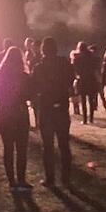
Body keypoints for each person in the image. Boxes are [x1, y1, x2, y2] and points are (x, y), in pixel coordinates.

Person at [31, 37, 75, 187]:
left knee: (48, 146)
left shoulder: (39, 68)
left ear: (43, 50)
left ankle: (50, 179)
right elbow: (70, 81)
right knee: (64, 145)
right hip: (61, 108)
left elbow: (34, 88)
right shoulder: (64, 64)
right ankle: (66, 178)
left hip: (46, 110)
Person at [0, 46, 33, 191]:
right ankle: (21, 180)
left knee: (8, 148)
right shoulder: (24, 76)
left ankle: (12, 182)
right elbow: (30, 95)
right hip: (20, 112)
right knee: (21, 149)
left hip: (4, 111)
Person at [72, 41, 100, 124]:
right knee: (91, 100)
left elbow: (75, 70)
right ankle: (91, 118)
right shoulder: (92, 57)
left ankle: (84, 119)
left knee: (83, 101)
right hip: (91, 79)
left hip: (82, 80)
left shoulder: (77, 58)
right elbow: (96, 68)